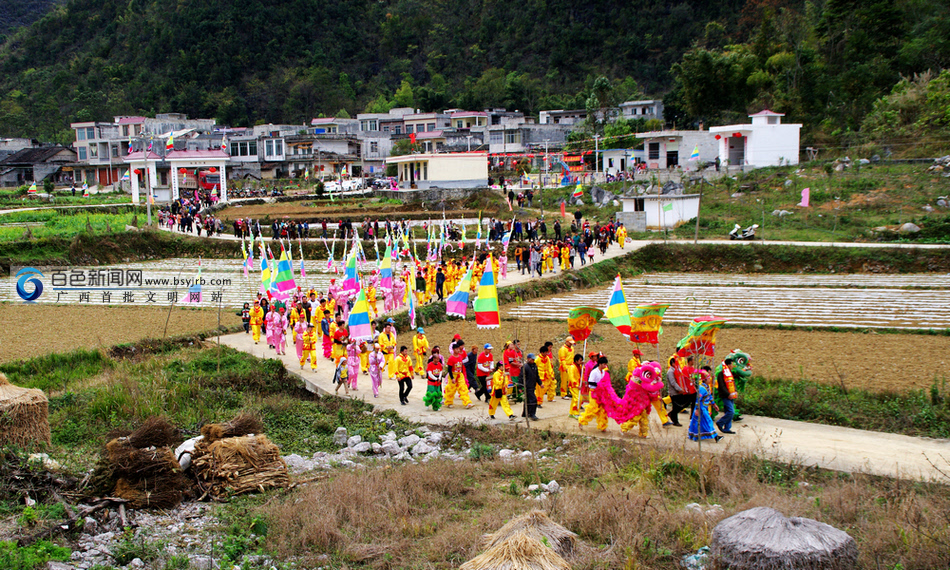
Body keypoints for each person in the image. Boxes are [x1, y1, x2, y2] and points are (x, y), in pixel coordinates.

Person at [690, 368, 722, 442]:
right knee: (708, 421)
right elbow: (698, 399)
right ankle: (715, 437)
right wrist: (697, 409)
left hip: (705, 407)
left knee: (701, 422)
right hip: (701, 408)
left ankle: (696, 436)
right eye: (708, 378)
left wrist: (714, 405)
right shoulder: (702, 388)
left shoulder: (707, 387)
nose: (710, 380)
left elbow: (710, 397)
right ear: (705, 379)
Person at [578, 356, 610, 431]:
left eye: (606, 364)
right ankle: (582, 420)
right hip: (593, 392)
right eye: (604, 364)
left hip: (601, 393)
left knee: (603, 409)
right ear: (600, 364)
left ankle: (602, 425)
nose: (605, 366)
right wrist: (599, 385)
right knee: (593, 408)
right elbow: (590, 382)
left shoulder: (604, 372)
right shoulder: (594, 372)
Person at [445, 343, 474, 409]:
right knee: (451, 389)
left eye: (459, 349)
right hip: (453, 374)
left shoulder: (460, 357)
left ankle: (467, 402)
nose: (458, 350)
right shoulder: (451, 358)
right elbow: (449, 369)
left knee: (463, 387)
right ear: (453, 349)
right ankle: (449, 402)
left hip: (459, 375)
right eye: (457, 349)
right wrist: (452, 378)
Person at [715, 358, 738, 434]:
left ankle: (727, 428)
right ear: (728, 365)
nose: (732, 366)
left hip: (731, 395)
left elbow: (733, 384)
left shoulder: (730, 373)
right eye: (731, 364)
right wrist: (728, 394)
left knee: (729, 411)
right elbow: (722, 386)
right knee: (731, 411)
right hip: (725, 396)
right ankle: (720, 422)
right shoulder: (721, 374)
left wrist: (735, 391)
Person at [521, 353, 540, 421]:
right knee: (533, 400)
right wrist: (521, 387)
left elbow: (537, 376)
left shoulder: (534, 366)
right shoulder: (525, 367)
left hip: (532, 386)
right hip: (527, 386)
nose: (533, 360)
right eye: (532, 359)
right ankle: (532, 414)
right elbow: (521, 377)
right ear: (528, 359)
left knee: (528, 400)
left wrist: (540, 383)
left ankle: (525, 413)